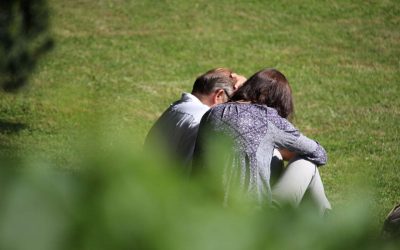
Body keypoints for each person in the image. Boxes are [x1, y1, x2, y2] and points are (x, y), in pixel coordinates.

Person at [193, 68, 331, 214]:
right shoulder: (269, 118)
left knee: (274, 156)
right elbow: (319, 154)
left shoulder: (212, 113)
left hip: (206, 214)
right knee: (306, 164)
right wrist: (288, 148)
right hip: (255, 221)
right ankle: (328, 225)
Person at [144, 68, 246, 169]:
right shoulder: (203, 121)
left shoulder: (176, 109)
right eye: (230, 101)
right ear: (219, 95)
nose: (229, 108)